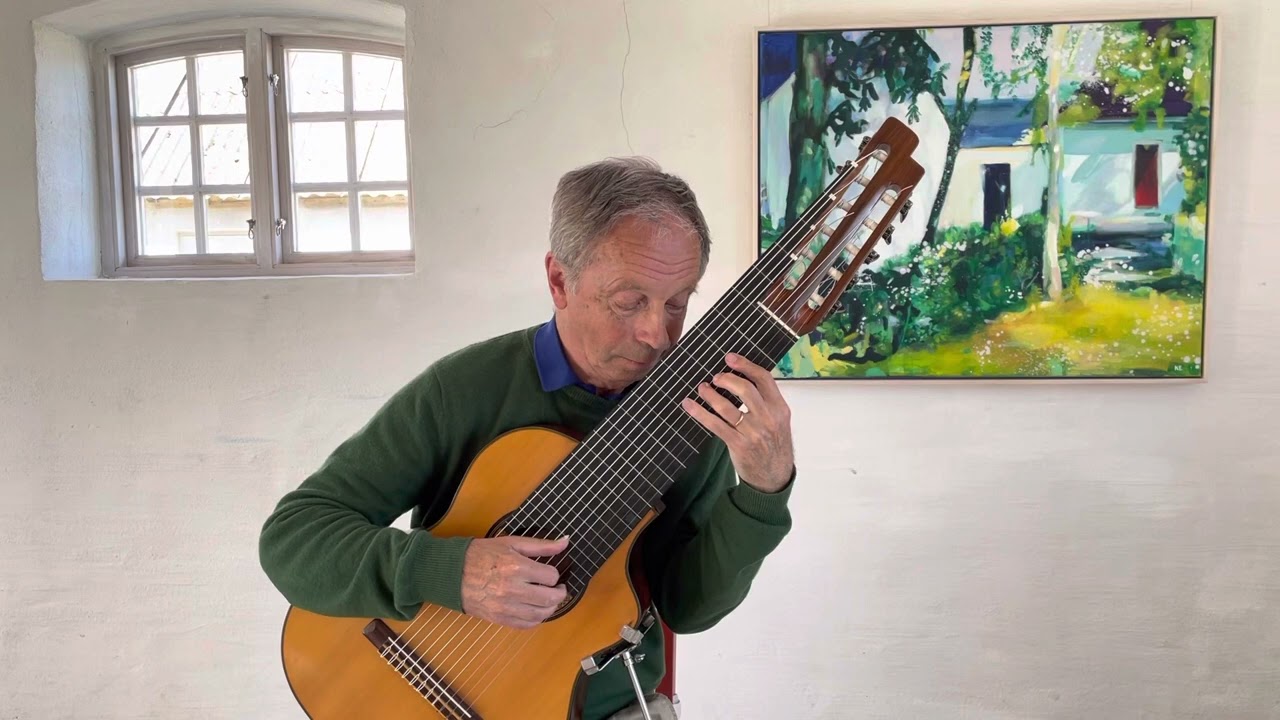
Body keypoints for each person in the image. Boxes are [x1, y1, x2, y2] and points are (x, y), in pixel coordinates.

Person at [258, 156, 797, 719]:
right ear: (559, 281)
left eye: (678, 302)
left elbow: (689, 607)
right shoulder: (464, 389)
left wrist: (764, 490)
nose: (657, 334)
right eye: (629, 301)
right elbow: (292, 539)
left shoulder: (701, 415)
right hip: (405, 670)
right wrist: (449, 571)